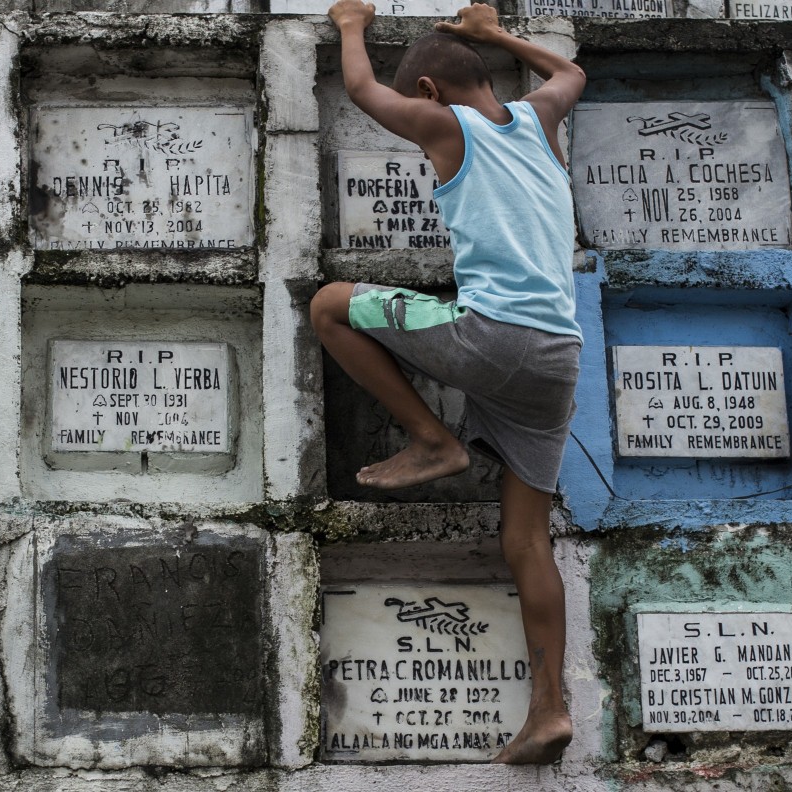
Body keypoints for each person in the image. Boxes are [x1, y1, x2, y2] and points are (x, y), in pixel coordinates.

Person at [312, 0, 585, 765]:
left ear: (429, 92)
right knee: (527, 539)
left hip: (490, 337)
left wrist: (350, 24)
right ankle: (550, 710)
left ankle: (432, 438)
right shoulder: (538, 119)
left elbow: (364, 91)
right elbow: (570, 71)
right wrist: (494, 34)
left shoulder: (446, 127)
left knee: (330, 306)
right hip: (558, 356)